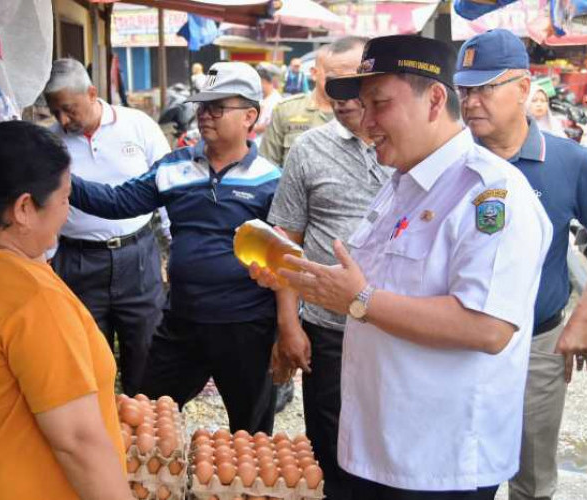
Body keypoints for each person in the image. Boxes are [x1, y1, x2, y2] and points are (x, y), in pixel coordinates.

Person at [251, 34, 552, 499]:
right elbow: (378, 284)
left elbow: (489, 327)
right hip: (379, 445)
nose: (366, 122)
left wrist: (359, 300)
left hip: (438, 460)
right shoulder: (403, 184)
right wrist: (305, 281)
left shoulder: (490, 194)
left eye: (380, 104)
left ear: (434, 99)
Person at [69, 62, 282, 434]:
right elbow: (117, 202)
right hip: (182, 322)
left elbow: (284, 261)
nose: (204, 116)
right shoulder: (173, 168)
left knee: (251, 437)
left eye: (218, 107)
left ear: (250, 115)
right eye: (202, 107)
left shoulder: (270, 180)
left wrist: (287, 328)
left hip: (247, 327)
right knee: (148, 419)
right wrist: (58, 176)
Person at [0, 121, 131, 500]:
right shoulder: (29, 297)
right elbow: (77, 442)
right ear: (23, 208)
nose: (67, 213)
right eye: (65, 198)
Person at [454, 28, 587, 500]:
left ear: (524, 89)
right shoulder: (450, 163)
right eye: (465, 89)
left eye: (486, 87)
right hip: (458, 343)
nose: (471, 101)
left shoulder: (569, 161)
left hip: (537, 343)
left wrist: (582, 320)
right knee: (459, 468)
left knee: (531, 478)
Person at [265, 35, 388, 500]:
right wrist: (288, 325)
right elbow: (285, 243)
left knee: (388, 444)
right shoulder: (309, 150)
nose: (342, 96)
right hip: (328, 332)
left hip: (396, 329)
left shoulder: (412, 146)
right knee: (330, 446)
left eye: (352, 82)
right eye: (331, 83)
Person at [44, 58, 168, 396]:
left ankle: (145, 441)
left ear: (93, 93)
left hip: (138, 256)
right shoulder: (49, 142)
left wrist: (175, 248)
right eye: (56, 112)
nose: (63, 120)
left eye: (69, 109)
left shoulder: (138, 125)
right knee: (86, 359)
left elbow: (170, 185)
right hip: (77, 261)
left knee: (145, 352)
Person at [259, 45, 339, 168]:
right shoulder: (286, 110)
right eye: (333, 72)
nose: (340, 78)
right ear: (314, 73)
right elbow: (267, 166)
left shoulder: (361, 114)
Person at [253, 65, 282, 146]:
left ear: (263, 81)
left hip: (268, 144)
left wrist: (249, 127)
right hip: (258, 141)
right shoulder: (262, 98)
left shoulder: (276, 101)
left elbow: (269, 126)